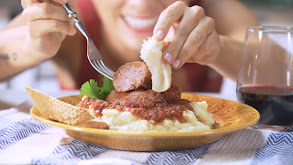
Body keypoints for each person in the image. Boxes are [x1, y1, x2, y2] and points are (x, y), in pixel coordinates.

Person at [0, 0, 258, 92]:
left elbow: (282, 71)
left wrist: (218, 50)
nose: (142, 4)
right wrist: (31, 48)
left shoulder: (212, 10)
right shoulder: (73, 19)